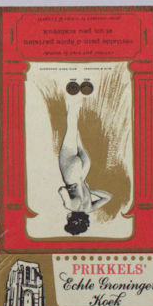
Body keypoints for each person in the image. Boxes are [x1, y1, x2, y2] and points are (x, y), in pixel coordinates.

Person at [58, 88, 111, 235]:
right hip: (71, 175)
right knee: (71, 130)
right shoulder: (70, 206)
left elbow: (108, 197)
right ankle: (73, 97)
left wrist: (89, 191)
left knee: (76, 134)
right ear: (73, 220)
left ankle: (77, 98)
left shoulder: (90, 208)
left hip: (83, 171)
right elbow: (61, 190)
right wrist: (71, 189)